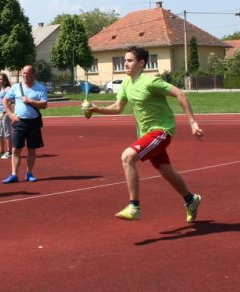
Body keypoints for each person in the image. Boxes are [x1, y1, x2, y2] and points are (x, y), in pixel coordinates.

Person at [85, 46, 203, 221]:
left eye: (130, 60)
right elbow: (118, 108)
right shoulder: (126, 83)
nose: (125, 63)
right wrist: (96, 109)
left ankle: (134, 206)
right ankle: (190, 199)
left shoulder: (151, 82)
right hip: (146, 134)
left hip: (161, 131)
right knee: (165, 170)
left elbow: (180, 93)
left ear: (141, 63)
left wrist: (192, 122)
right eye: (124, 60)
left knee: (127, 157)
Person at [1, 65, 48, 184]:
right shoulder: (16, 87)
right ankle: (14, 174)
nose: (25, 75)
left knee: (32, 149)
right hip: (19, 122)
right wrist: (11, 114)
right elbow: (5, 100)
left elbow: (44, 104)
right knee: (16, 148)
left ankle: (29, 173)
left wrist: (31, 101)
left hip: (33, 122)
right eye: (23, 73)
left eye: (27, 73)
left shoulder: (40, 88)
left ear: (33, 75)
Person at [0, 72, 12, 159]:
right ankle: (1, 151)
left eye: (0, 79)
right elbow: (1, 97)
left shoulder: (8, 89)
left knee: (7, 133)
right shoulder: (2, 89)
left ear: (4, 80)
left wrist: (5, 111)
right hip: (0, 113)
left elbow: (10, 100)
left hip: (6, 113)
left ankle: (9, 152)